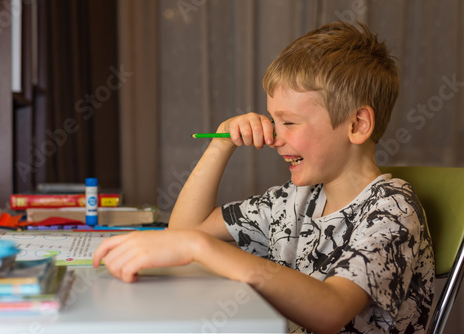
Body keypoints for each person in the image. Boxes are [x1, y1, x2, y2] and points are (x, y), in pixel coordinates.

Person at [93, 21, 434, 333]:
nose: (274, 138)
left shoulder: (392, 210)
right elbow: (184, 231)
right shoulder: (293, 200)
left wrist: (200, 247)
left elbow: (331, 311)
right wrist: (222, 141)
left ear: (357, 125)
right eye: (273, 121)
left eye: (289, 122)